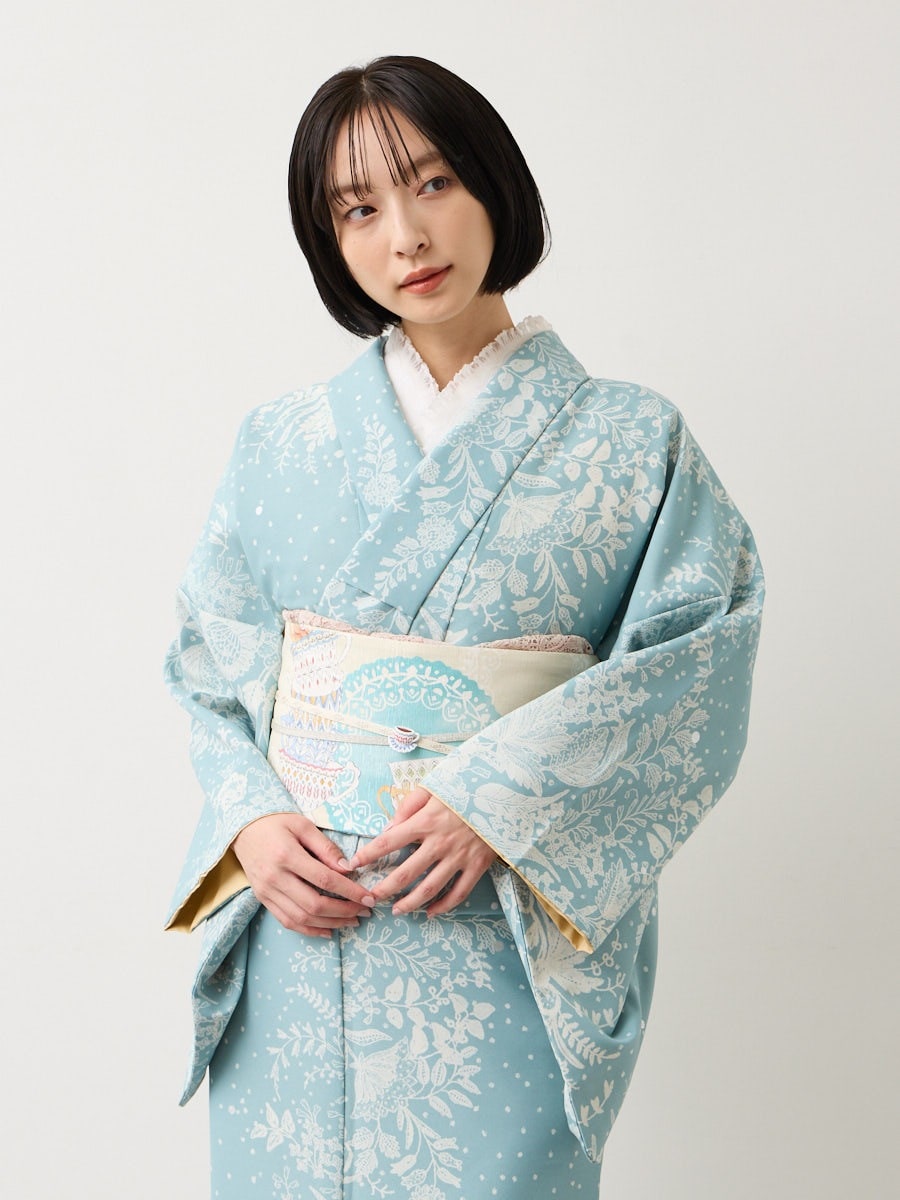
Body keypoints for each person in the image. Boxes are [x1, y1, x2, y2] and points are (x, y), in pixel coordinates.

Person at [165, 55, 764, 1199]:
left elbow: (700, 666)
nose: (406, 236)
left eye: (433, 183)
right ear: (328, 239)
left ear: (493, 183)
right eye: (359, 209)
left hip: (499, 944)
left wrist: (501, 795)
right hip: (303, 943)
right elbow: (208, 661)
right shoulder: (279, 443)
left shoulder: (632, 441)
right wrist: (251, 822)